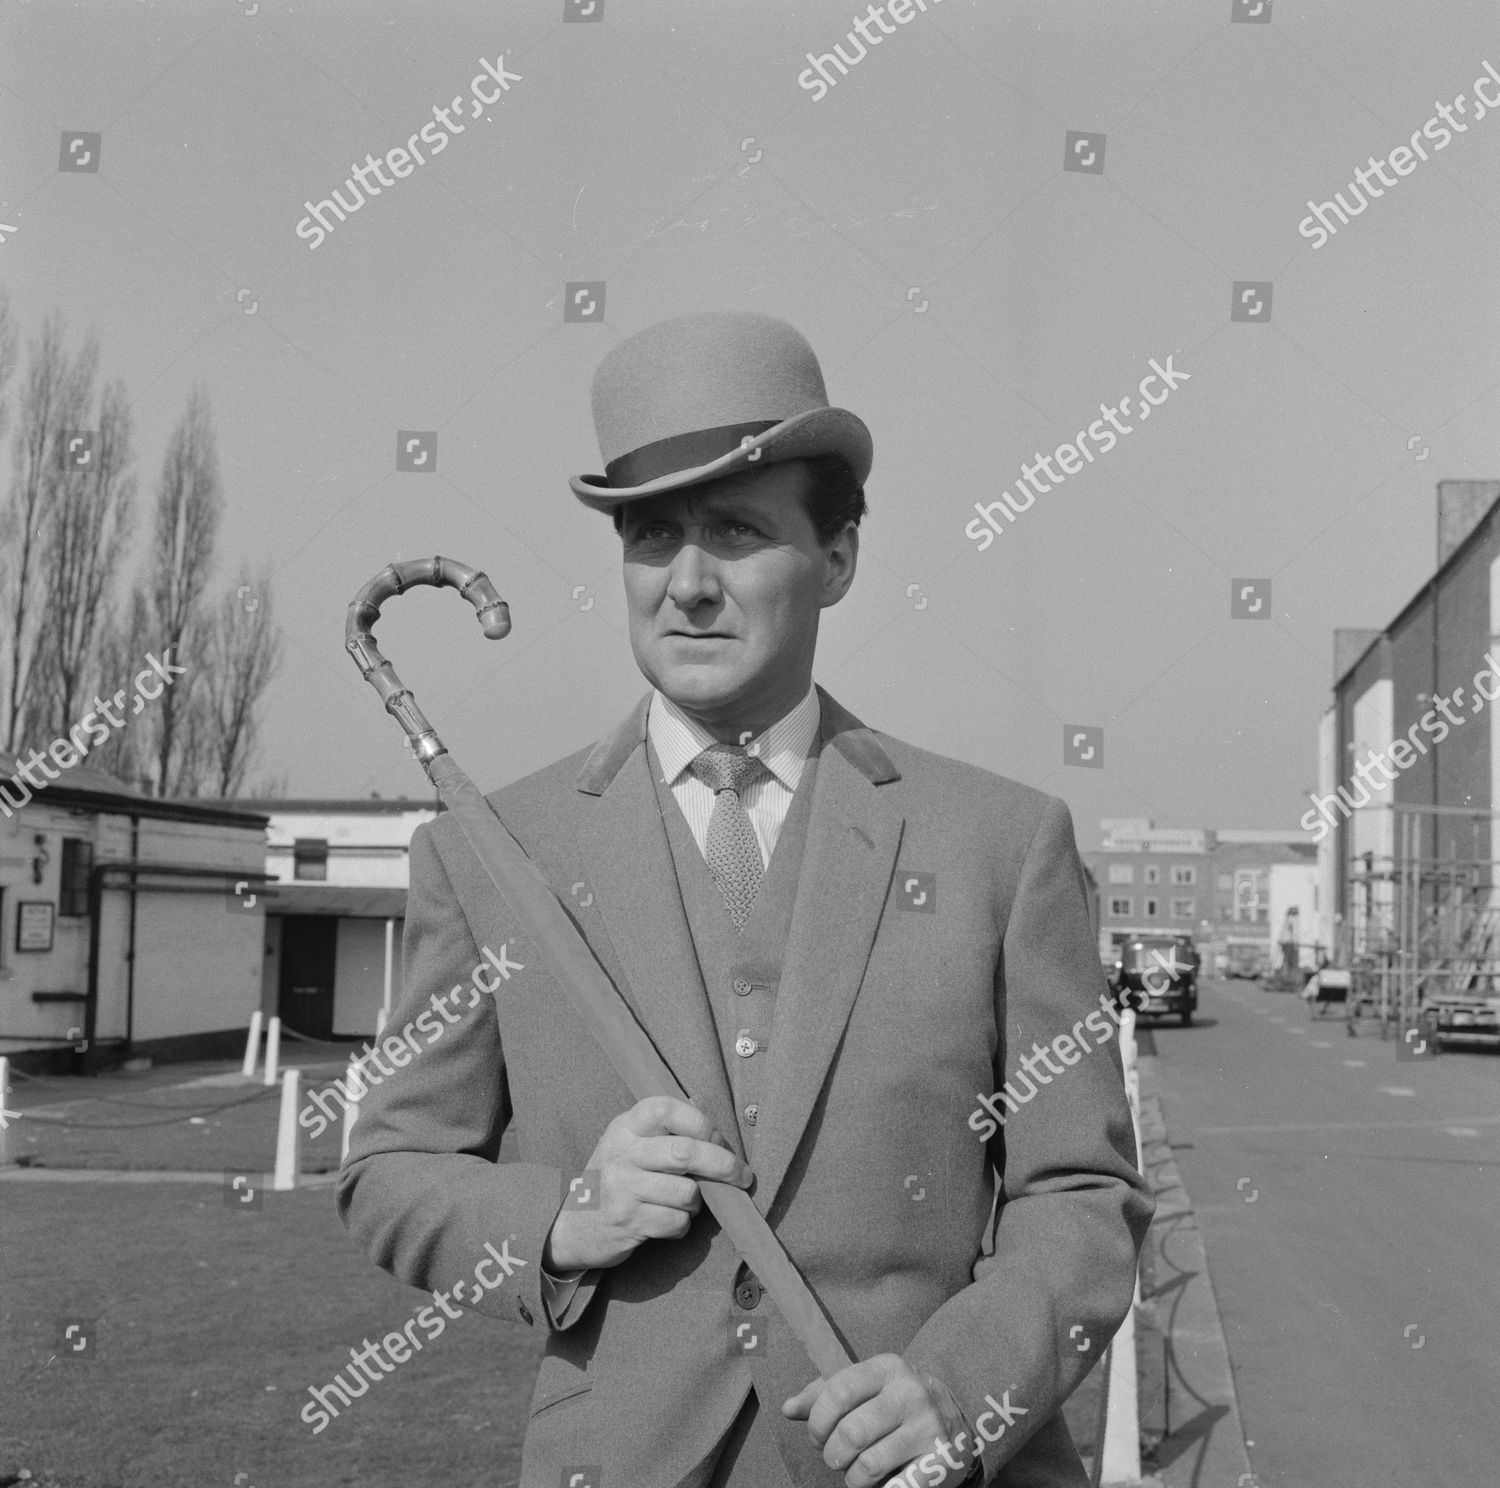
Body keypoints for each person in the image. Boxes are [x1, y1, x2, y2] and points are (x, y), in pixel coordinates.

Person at [338, 310, 1153, 1488]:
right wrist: (561, 1219)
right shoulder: (490, 849)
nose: (687, 586)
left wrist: (961, 1392)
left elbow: (1081, 1194)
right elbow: (393, 1170)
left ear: (837, 557)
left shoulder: (1001, 843)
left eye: (735, 531)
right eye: (651, 536)